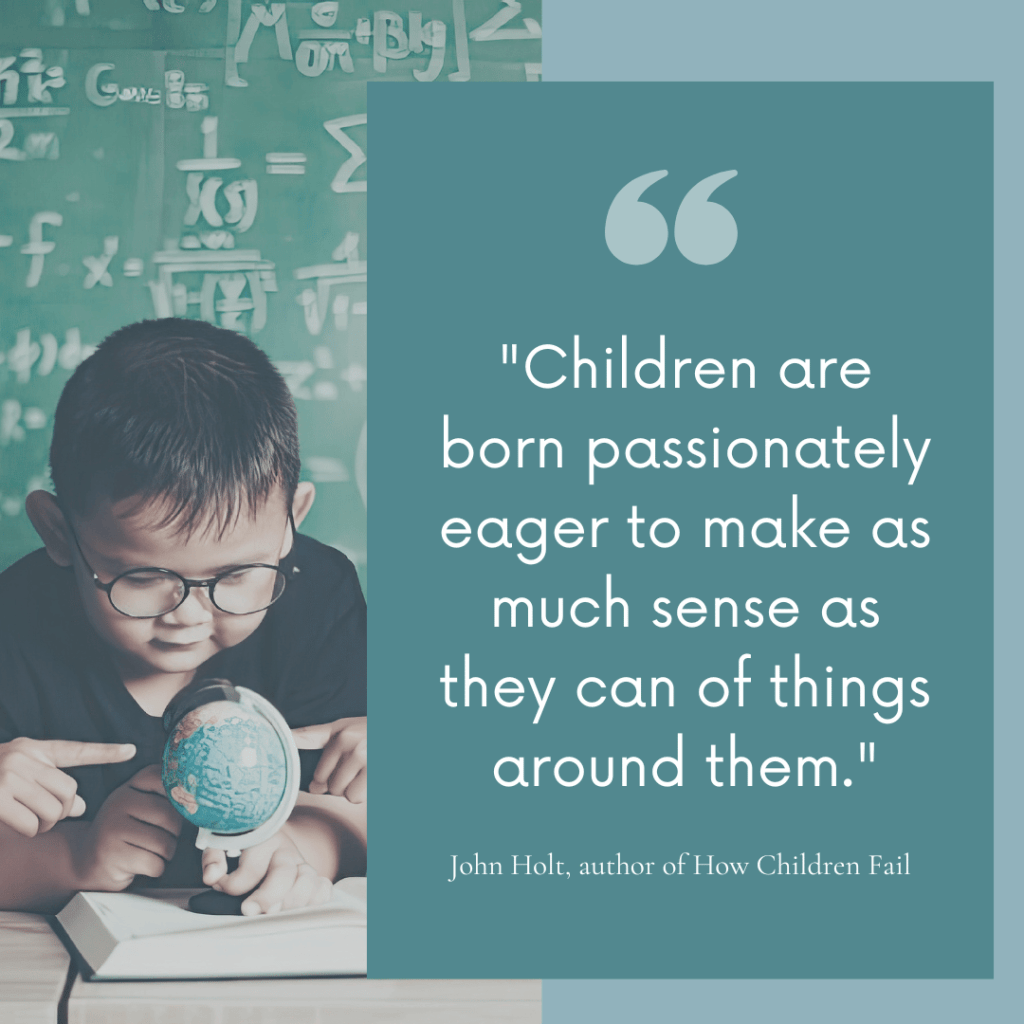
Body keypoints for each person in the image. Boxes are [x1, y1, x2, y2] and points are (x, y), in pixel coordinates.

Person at [0, 318, 367, 915]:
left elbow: (368, 812)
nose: (191, 615)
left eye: (237, 577)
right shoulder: (13, 628)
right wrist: (73, 856)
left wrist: (301, 846)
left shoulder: (317, 597)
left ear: (291, 525)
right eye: (144, 578)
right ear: (58, 533)